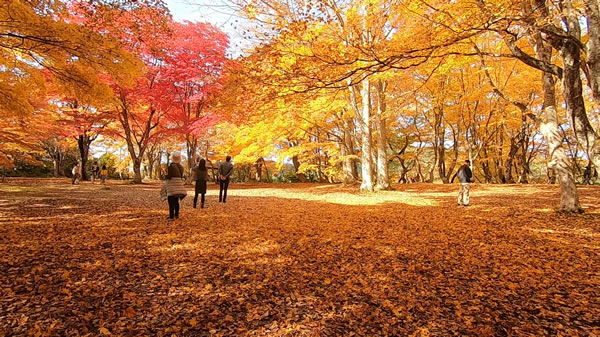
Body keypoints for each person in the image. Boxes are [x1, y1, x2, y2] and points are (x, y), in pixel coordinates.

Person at [165, 152, 186, 220]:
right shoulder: (181, 167)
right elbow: (181, 176)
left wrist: (165, 175)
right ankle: (176, 214)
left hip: (172, 184)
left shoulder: (171, 166)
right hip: (179, 184)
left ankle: (171, 216)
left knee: (170, 200)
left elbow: (169, 177)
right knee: (176, 200)